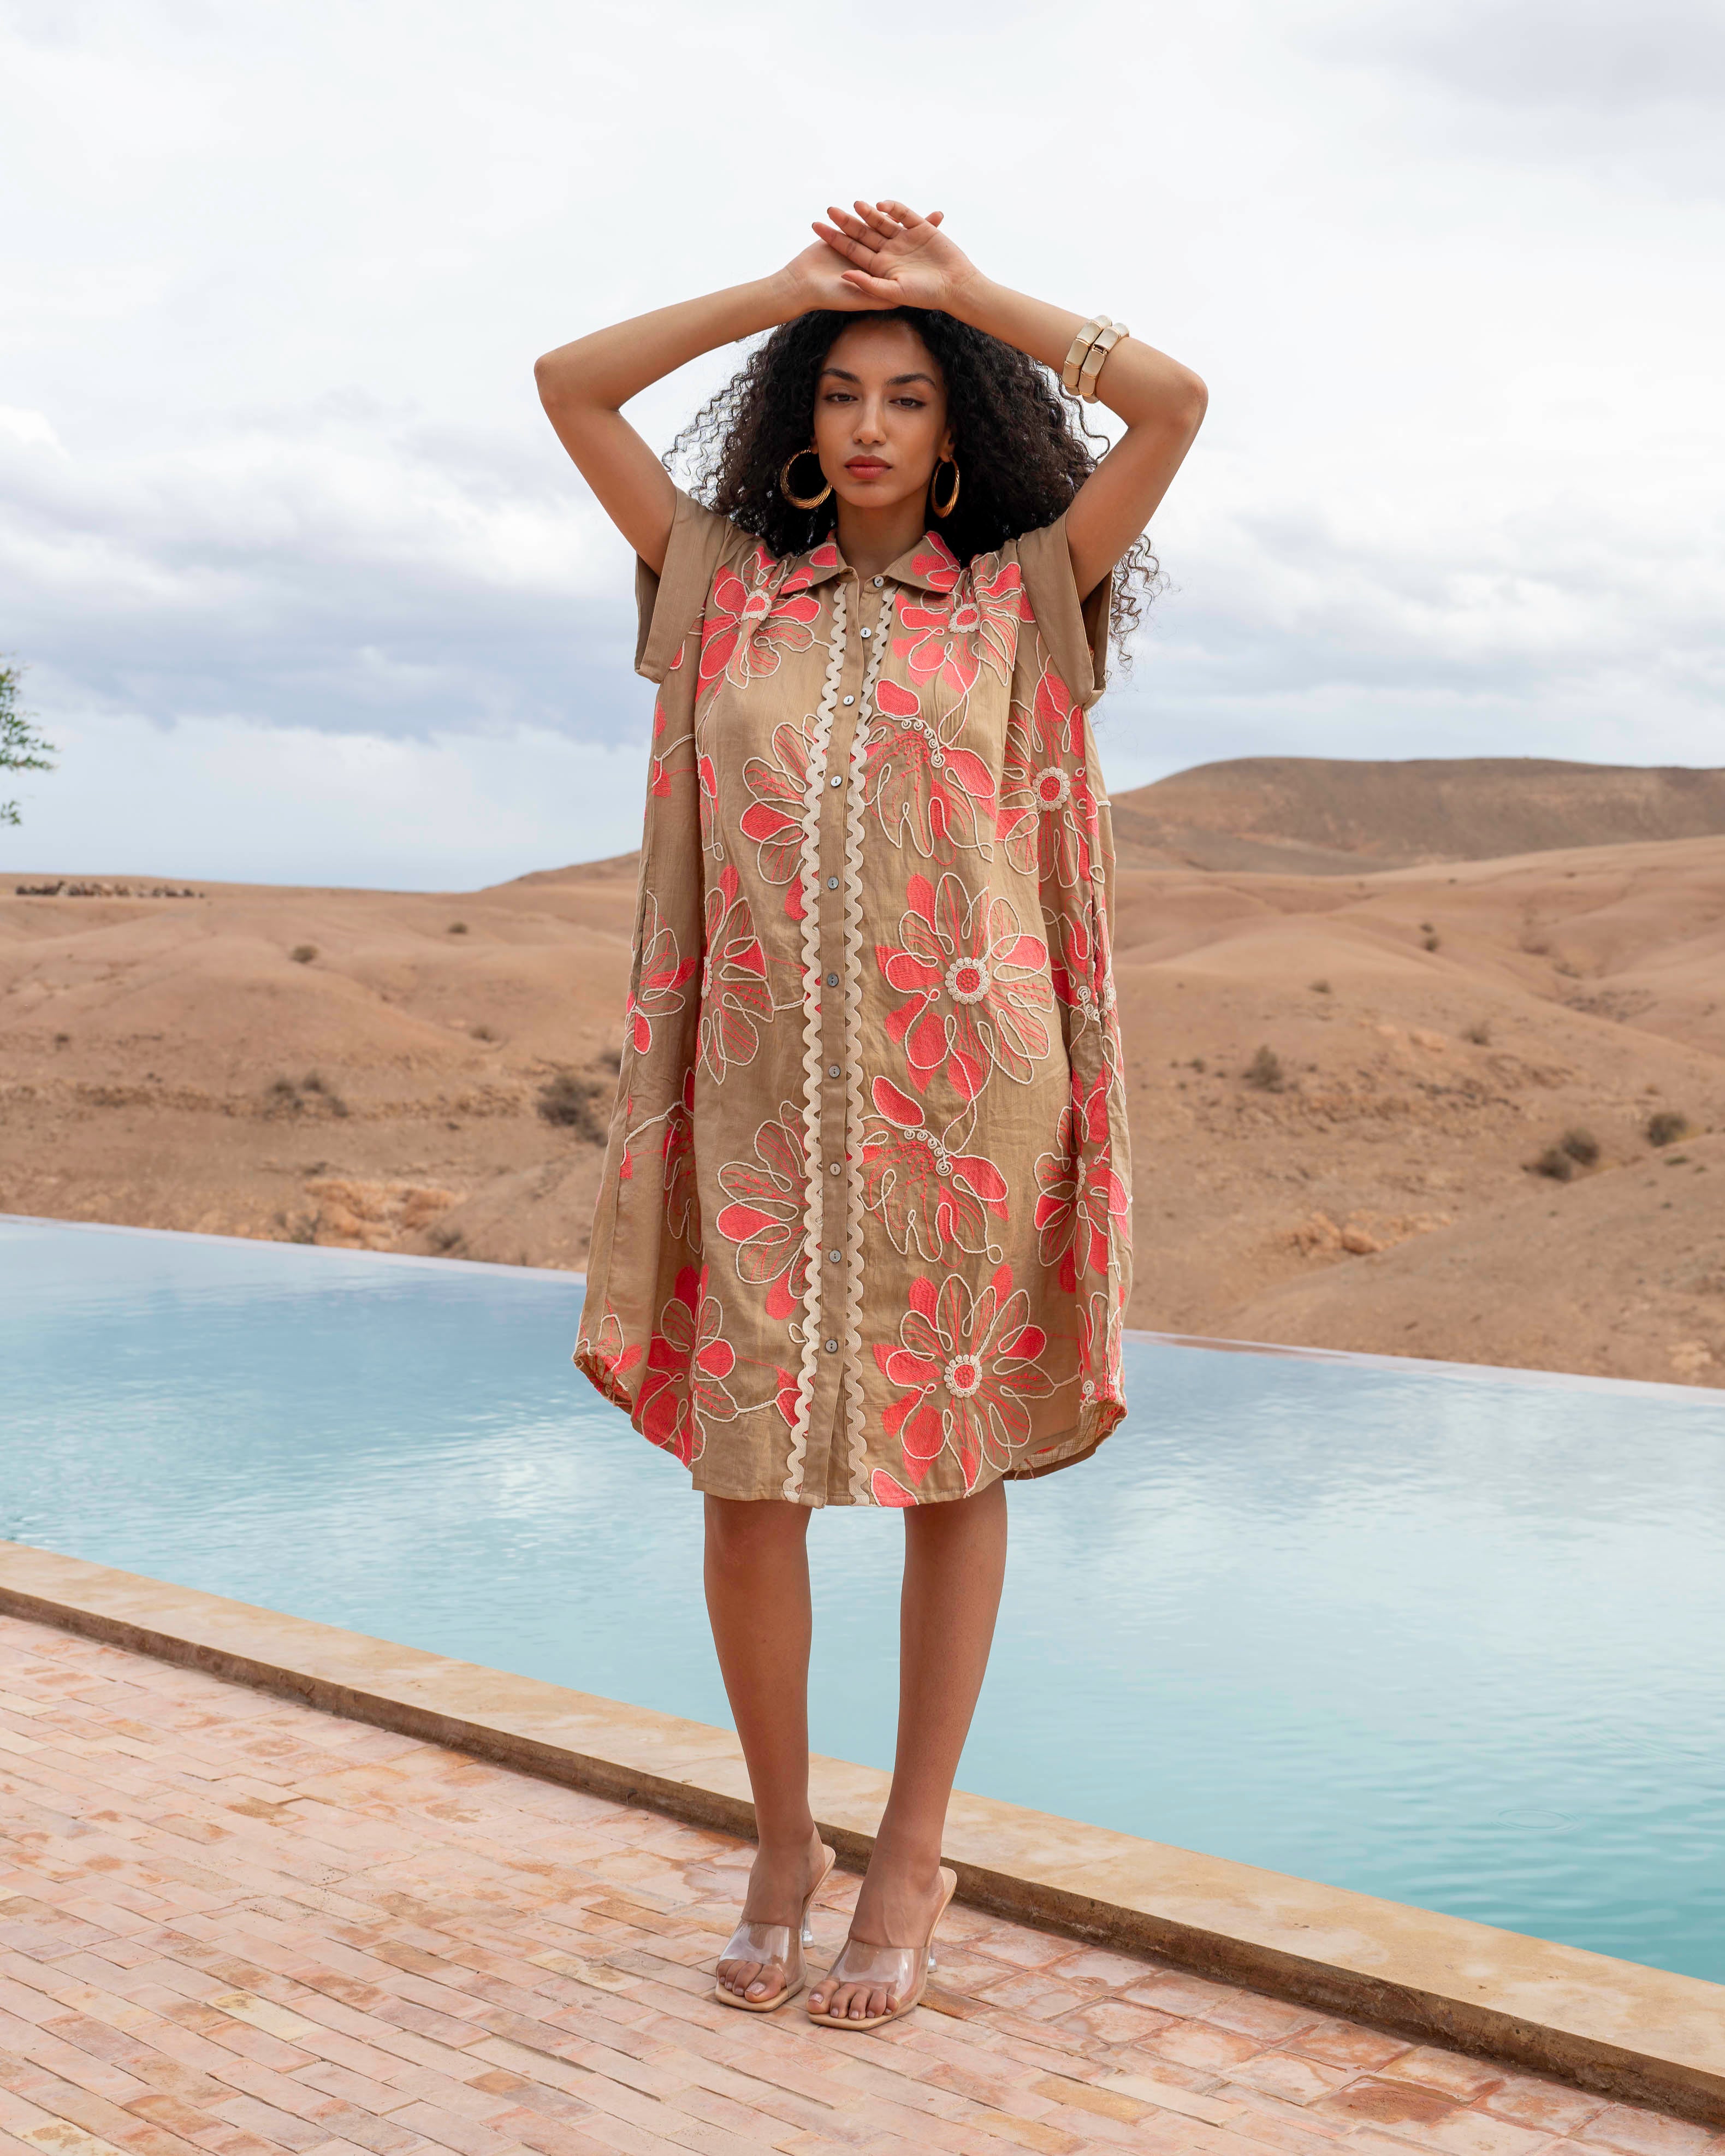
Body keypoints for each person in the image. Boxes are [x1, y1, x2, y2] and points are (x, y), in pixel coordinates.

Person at [534, 200, 1206, 2029]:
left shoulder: (1021, 598)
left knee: (945, 1467)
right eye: (840, 393)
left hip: (970, 1109)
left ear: (957, 424)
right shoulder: (716, 584)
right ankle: (781, 1839)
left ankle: (911, 1847)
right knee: (750, 1485)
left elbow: (1172, 403)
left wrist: (968, 291)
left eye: (909, 395)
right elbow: (568, 386)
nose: (871, 424)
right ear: (799, 421)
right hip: (757, 1109)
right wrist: (786, 292)